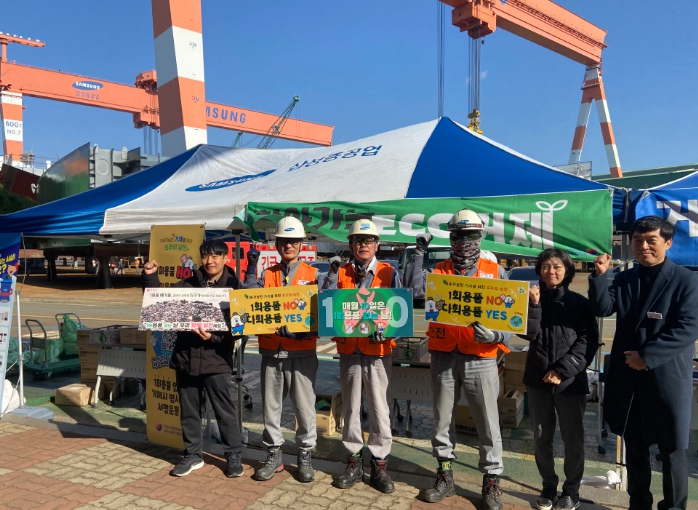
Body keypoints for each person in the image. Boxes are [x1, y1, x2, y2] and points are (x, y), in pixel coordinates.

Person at [589, 216, 698, 510]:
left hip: (666, 379)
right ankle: (639, 504)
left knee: (672, 449)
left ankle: (674, 506)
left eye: (651, 240)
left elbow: (688, 328)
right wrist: (600, 276)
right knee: (635, 447)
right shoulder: (625, 278)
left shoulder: (686, 280)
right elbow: (603, 308)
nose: (644, 246)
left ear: (668, 243)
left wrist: (646, 357)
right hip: (629, 380)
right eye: (638, 241)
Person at [403, 209, 509, 509]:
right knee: (442, 419)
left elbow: (513, 316)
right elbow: (414, 290)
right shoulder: (439, 271)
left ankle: (491, 480)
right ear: (450, 238)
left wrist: (497, 336)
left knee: (488, 421)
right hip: (444, 355)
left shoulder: (495, 271)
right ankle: (445, 475)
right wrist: (418, 255)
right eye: (459, 236)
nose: (465, 242)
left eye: (471, 236)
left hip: (481, 357)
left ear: (480, 236)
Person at [142, 240, 245, 479]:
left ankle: (233, 455)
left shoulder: (235, 287)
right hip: (186, 358)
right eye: (206, 256)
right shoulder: (187, 284)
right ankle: (193, 455)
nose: (210, 261)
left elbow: (241, 328)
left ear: (225, 258)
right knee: (189, 412)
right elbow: (159, 304)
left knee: (225, 412)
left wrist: (214, 337)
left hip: (216, 360)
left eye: (216, 256)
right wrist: (150, 277)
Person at [239, 217, 320, 483]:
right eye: (284, 241)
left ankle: (305, 454)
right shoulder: (267, 274)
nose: (289, 245)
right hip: (271, 350)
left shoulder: (313, 274)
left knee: (305, 408)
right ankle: (274, 454)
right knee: (271, 408)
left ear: (301, 244)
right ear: (277, 244)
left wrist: (309, 329)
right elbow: (248, 301)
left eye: (293, 241)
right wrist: (251, 270)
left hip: (302, 352)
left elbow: (322, 312)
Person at [519, 249, 598, 510]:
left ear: (567, 271)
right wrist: (533, 306)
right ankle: (548, 486)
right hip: (537, 380)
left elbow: (588, 342)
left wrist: (562, 371)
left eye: (557, 267)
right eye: (545, 266)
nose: (551, 271)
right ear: (539, 270)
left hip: (570, 382)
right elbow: (528, 334)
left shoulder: (579, 303)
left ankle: (571, 491)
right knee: (541, 437)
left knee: (573, 439)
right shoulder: (531, 299)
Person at [326, 219, 401, 494]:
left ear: (377, 244)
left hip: (378, 351)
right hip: (350, 349)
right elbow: (328, 306)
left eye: (368, 240)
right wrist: (330, 278)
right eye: (358, 240)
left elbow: (400, 310)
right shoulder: (340, 272)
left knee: (380, 408)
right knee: (351, 407)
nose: (363, 245)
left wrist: (389, 332)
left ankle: (380, 464)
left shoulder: (389, 272)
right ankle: (354, 461)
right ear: (351, 245)